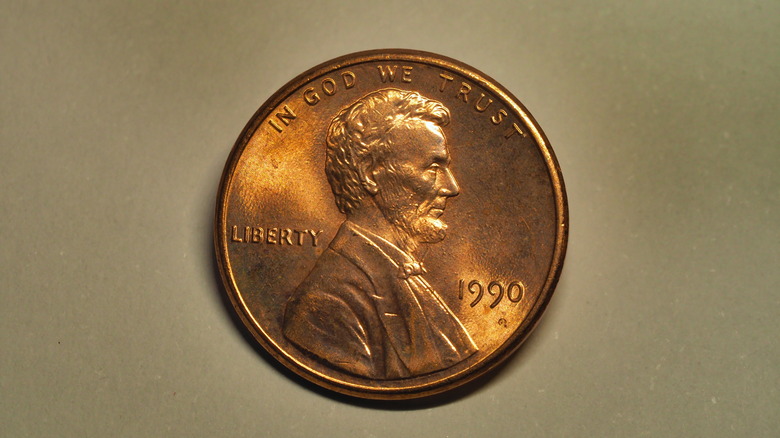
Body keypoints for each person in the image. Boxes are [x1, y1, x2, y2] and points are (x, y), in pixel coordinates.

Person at [283, 88, 477, 379]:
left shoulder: (404, 275)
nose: (451, 187)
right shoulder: (327, 305)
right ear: (369, 173)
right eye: (433, 167)